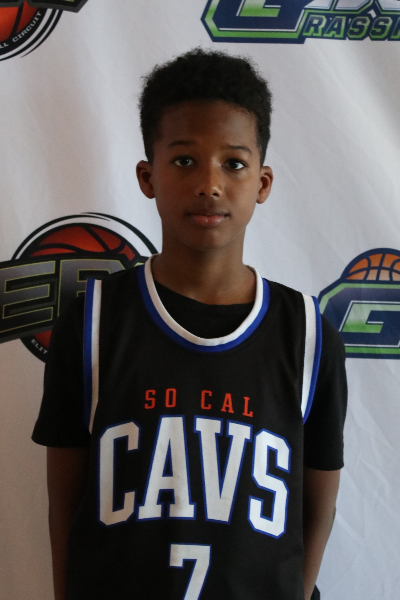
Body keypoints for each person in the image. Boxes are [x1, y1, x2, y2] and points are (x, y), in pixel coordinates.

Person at [32, 48, 347, 600]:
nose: (209, 183)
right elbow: (65, 500)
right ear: (147, 176)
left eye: (233, 163)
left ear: (263, 182)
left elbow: (318, 502)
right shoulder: (93, 321)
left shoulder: (307, 335)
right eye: (184, 161)